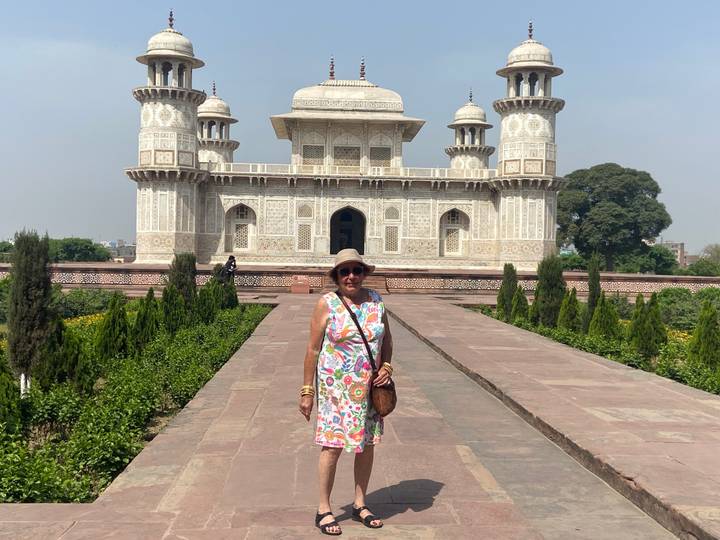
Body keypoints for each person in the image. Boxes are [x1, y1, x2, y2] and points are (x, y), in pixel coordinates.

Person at [299, 248, 394, 536]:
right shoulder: (326, 304)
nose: (351, 276)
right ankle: (324, 508)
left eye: (357, 270)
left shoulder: (377, 301)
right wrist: (307, 391)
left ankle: (360, 503)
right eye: (345, 271)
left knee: (366, 445)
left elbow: (386, 339)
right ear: (336, 276)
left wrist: (387, 366)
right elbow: (313, 349)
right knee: (333, 446)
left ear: (364, 274)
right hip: (335, 389)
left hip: (368, 388)